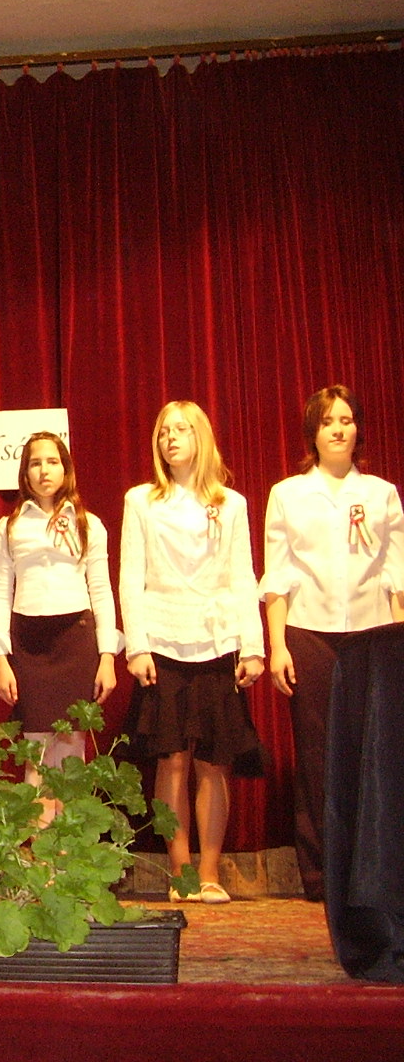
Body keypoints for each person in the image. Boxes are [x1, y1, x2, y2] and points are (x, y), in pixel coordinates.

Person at [261, 385, 404, 901]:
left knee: (372, 752)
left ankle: (373, 867)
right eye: (327, 422)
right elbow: (278, 577)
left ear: (358, 429)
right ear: (313, 433)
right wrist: (278, 645)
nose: (338, 429)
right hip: (309, 634)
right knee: (318, 756)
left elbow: (396, 575)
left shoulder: (382, 493)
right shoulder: (288, 494)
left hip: (373, 635)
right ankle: (322, 873)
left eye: (346, 420)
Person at [120, 401, 265, 904]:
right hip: (162, 642)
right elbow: (131, 577)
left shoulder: (231, 503)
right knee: (173, 760)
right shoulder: (141, 500)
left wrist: (253, 646)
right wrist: (137, 645)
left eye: (181, 429)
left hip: (217, 642)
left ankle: (209, 873)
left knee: (215, 761)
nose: (170, 438)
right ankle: (180, 874)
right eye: (164, 431)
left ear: (200, 436)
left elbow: (242, 576)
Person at [0, 432, 119, 819]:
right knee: (37, 750)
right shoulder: (8, 527)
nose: (44, 470)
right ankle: (40, 845)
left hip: (76, 639)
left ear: (66, 469)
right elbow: (0, 593)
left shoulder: (88, 524)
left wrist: (107, 656)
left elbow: (101, 590)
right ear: (25, 472)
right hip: (29, 642)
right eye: (35, 463)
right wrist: (1, 658)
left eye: (52, 461)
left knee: (72, 747)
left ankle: (70, 847)